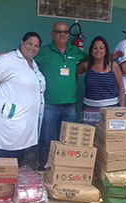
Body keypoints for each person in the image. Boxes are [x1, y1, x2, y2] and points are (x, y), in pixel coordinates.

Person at [0, 32, 45, 176]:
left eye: (36, 46)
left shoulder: (33, 65)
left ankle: (5, 191)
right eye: (29, 44)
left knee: (16, 157)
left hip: (24, 122)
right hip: (8, 118)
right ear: (22, 43)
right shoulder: (8, 59)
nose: (32, 48)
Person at [35, 22, 87, 170]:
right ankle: (43, 169)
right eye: (58, 32)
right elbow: (25, 55)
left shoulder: (75, 51)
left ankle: (62, 168)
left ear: (68, 35)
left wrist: (81, 68)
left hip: (70, 105)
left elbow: (93, 59)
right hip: (50, 104)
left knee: (67, 140)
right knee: (46, 140)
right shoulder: (43, 51)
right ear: (52, 34)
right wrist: (8, 55)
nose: (62, 34)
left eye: (65, 32)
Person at [77, 36, 125, 125]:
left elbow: (121, 87)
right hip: (89, 111)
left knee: (108, 138)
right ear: (91, 51)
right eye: (95, 48)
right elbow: (71, 72)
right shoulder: (86, 66)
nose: (98, 50)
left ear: (106, 51)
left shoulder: (113, 66)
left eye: (101, 48)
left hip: (111, 110)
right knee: (89, 138)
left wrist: (121, 108)